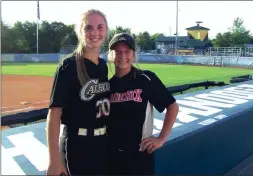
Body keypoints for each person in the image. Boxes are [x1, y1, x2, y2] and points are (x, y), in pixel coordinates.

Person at [46, 9, 110, 176]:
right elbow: (54, 115)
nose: (94, 32)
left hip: (101, 144)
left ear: (106, 31)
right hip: (76, 146)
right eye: (88, 27)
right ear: (80, 32)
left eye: (100, 27)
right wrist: (54, 160)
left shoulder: (102, 65)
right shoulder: (68, 66)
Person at [107, 33, 179, 175]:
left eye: (127, 51)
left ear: (133, 54)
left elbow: (173, 106)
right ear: (111, 55)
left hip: (139, 156)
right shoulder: (107, 86)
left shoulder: (146, 79)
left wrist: (161, 139)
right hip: (112, 156)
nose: (122, 56)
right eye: (118, 52)